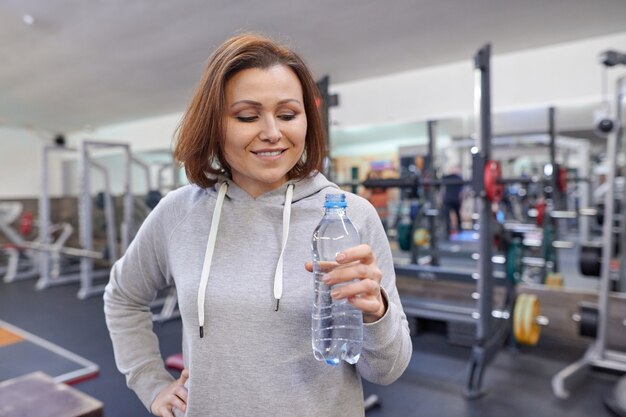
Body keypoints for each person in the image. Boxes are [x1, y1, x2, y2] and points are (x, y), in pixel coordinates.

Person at [103, 33, 412, 417]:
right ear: (214, 125)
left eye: (287, 114)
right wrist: (151, 382)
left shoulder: (350, 215)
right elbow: (123, 296)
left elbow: (387, 370)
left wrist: (374, 312)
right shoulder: (179, 212)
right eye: (247, 116)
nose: (272, 132)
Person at [442, 166, 464, 236]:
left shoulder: (456, 178)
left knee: (456, 214)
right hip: (451, 199)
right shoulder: (457, 178)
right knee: (451, 215)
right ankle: (450, 230)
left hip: (453, 199)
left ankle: (454, 229)